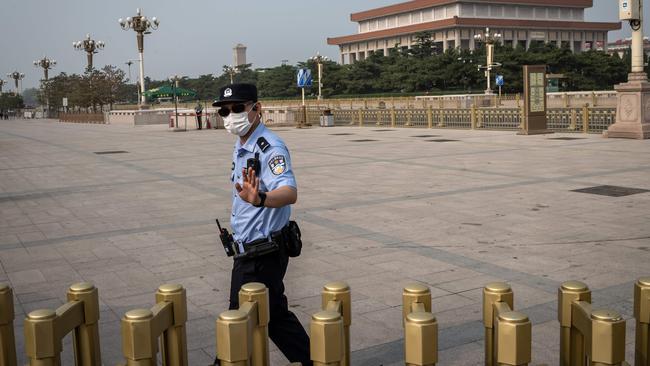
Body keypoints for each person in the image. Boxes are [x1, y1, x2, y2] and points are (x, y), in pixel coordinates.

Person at [214, 83, 311, 365]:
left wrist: (261, 199)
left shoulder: (270, 146)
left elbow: (289, 192)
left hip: (262, 253)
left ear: (257, 108)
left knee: (237, 318)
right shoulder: (242, 142)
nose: (230, 115)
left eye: (237, 108)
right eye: (224, 110)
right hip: (251, 249)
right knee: (276, 317)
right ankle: (320, 360)